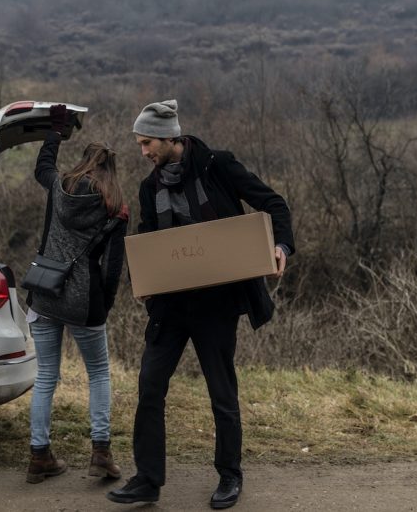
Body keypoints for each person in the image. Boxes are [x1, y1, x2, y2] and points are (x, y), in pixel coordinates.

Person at [107, 99, 294, 509]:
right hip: (170, 308)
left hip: (217, 303)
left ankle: (230, 476)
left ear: (171, 137)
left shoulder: (217, 166)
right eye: (140, 144)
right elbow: (148, 242)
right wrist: (143, 279)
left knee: (221, 392)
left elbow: (273, 203)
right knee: (150, 387)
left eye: (147, 143)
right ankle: (148, 479)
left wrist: (279, 246)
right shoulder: (148, 187)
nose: (144, 153)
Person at [24, 104, 129, 485]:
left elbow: (42, 167)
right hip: (85, 302)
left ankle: (39, 455)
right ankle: (100, 453)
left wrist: (55, 132)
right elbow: (113, 267)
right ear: (111, 170)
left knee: (47, 375)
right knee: (98, 373)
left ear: (84, 163)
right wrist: (104, 304)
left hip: (44, 294)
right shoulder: (116, 208)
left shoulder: (59, 185)